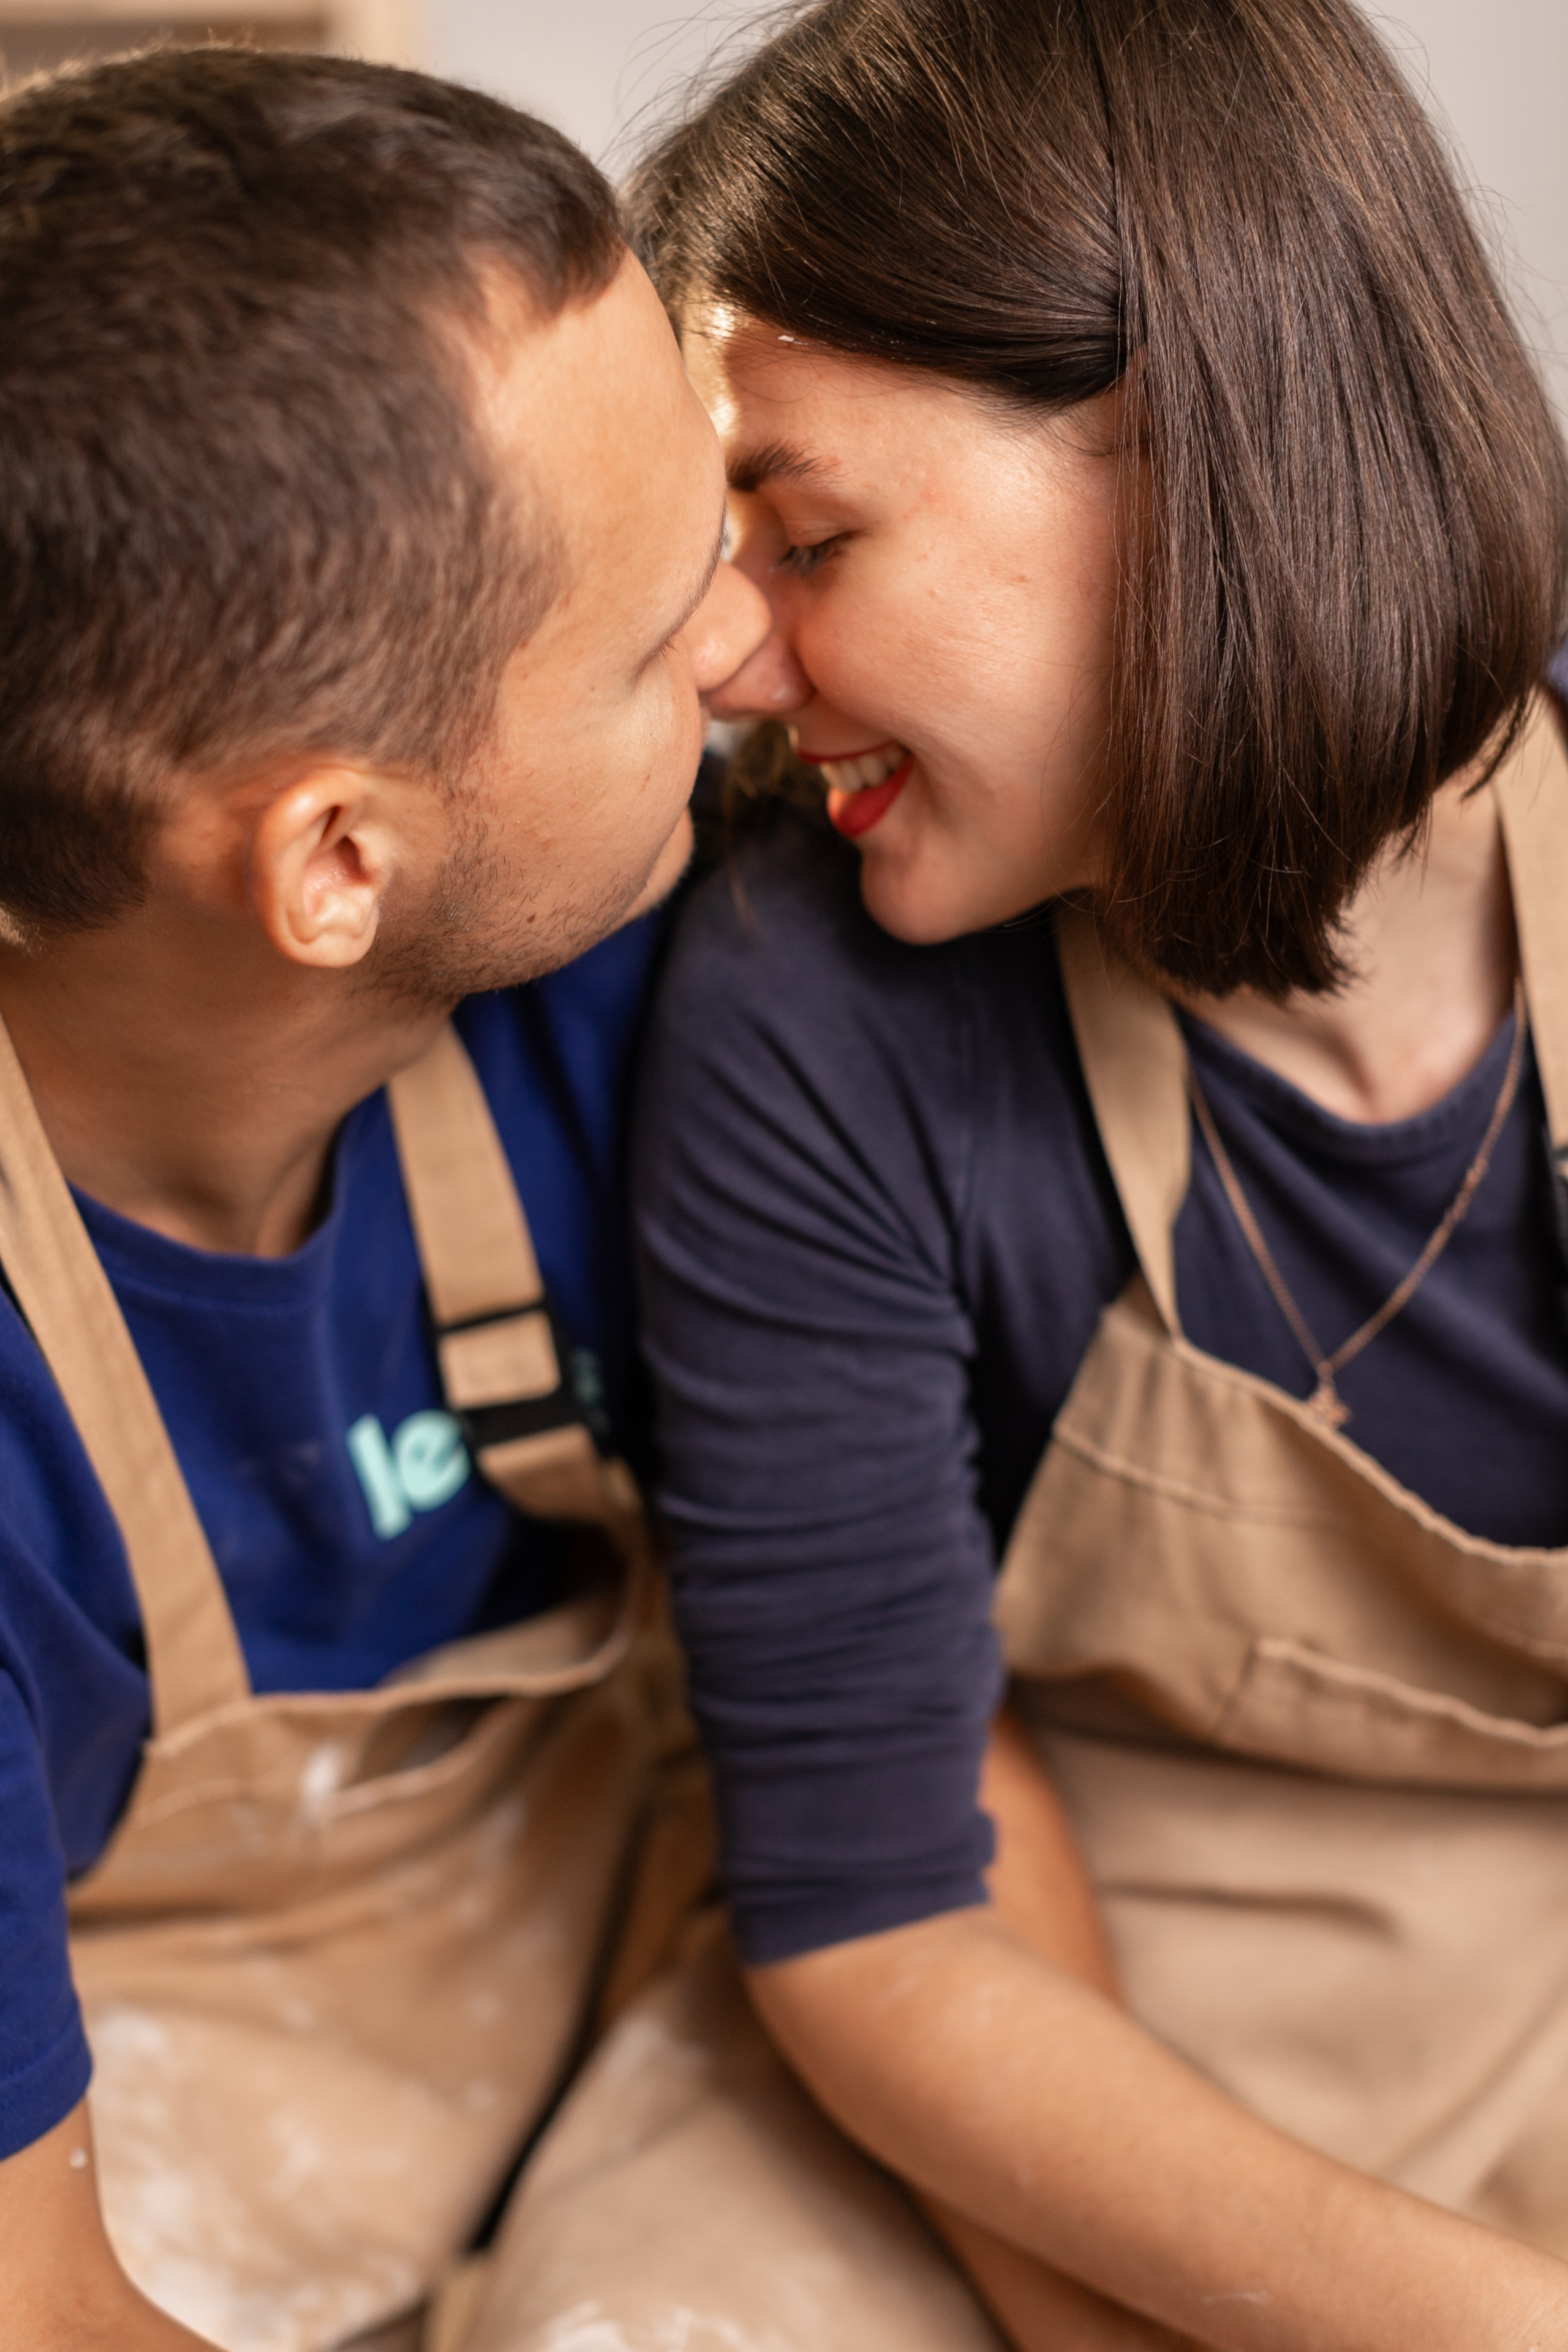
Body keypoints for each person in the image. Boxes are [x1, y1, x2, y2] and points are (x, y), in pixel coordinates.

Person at [623, 0, 1568, 2346]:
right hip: (1058, 2024)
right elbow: (883, 1913)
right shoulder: (803, 1004)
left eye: (810, 532)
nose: (730, 659)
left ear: (1181, 443)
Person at [0, 45, 774, 2352]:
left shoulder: (658, 973)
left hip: (673, 1998)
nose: (754, 657)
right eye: (660, 643)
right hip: (153, 2173)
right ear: (338, 860)